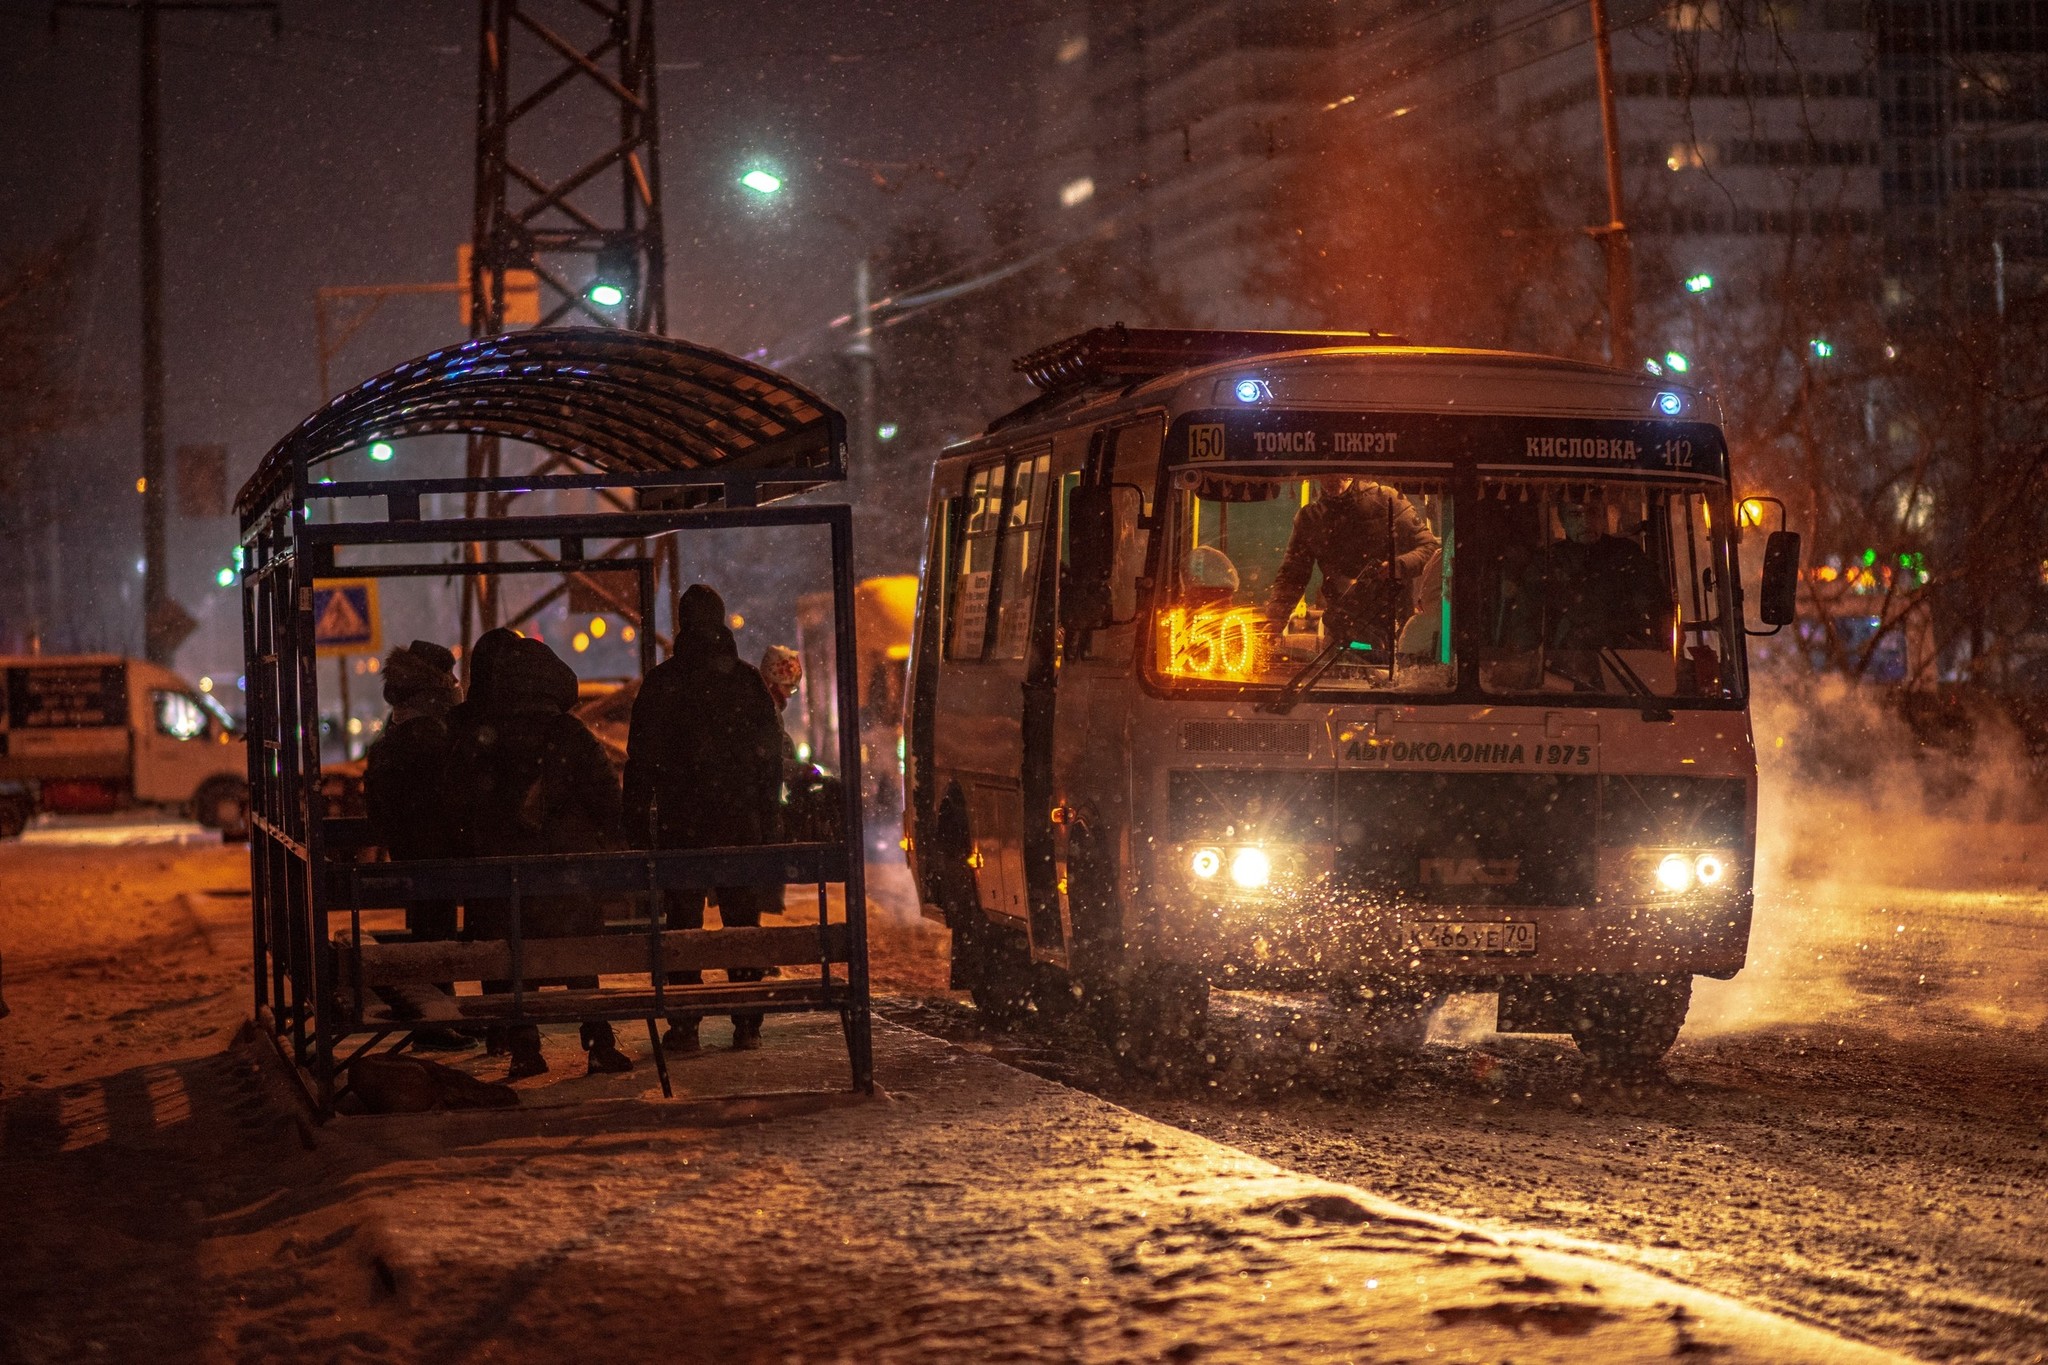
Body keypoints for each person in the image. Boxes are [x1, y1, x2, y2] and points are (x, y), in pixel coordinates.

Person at [445, 634, 634, 1080]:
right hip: (567, 877)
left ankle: (525, 1049)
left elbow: (458, 803)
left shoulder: (481, 734)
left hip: (503, 880)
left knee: (513, 963)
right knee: (578, 961)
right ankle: (598, 1042)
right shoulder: (569, 732)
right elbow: (607, 798)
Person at [624, 584, 785, 1054]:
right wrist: (767, 816)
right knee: (741, 923)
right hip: (739, 825)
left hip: (683, 825)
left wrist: (635, 821)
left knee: (683, 927)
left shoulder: (664, 682)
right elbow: (770, 759)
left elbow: (642, 761)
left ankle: (686, 1024)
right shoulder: (746, 681)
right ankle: (747, 1022)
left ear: (681, 623)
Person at [362, 639, 469, 1050]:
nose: (457, 683)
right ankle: (438, 1022)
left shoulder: (404, 722)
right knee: (436, 931)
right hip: (434, 844)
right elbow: (445, 792)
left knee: (431, 926)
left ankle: (443, 1015)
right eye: (451, 676)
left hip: (414, 843)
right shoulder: (430, 729)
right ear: (437, 681)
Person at [1264, 478, 1440, 650]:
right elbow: (1292, 575)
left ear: (1351, 472)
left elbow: (1430, 548)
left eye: (1336, 473)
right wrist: (1275, 620)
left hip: (1392, 629)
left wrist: (1397, 566)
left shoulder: (1388, 500)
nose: (1330, 480)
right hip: (1340, 633)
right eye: (1323, 474)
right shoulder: (1310, 518)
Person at [1508, 488, 1669, 653]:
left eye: (1592, 512)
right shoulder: (1546, 563)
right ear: (1562, 520)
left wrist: (1665, 624)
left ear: (1602, 516)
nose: (1585, 522)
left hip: (1627, 663)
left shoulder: (1627, 554)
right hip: (1562, 667)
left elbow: (1657, 603)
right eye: (1575, 515)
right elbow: (1524, 624)